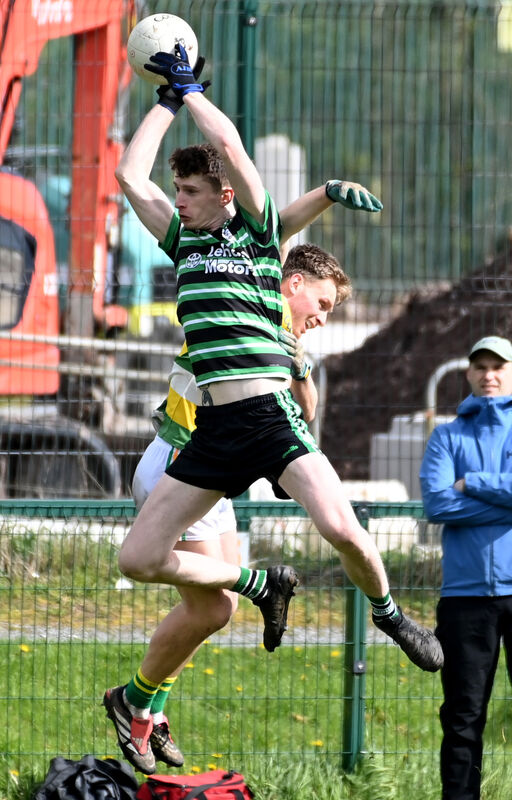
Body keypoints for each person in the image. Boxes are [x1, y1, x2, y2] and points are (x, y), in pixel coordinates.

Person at [104, 44, 443, 774]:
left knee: (341, 527)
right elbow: (130, 176)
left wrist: (193, 92)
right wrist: (164, 101)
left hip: (268, 419)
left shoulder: (257, 239)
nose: (180, 200)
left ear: (224, 197)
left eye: (190, 192)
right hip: (214, 432)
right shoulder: (180, 245)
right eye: (179, 193)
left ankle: (390, 616)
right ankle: (255, 588)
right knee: (136, 559)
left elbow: (229, 146)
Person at [123, 243, 354, 773]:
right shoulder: (244, 313)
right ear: (292, 284)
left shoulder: (284, 335)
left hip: (213, 477)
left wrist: (299, 361)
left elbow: (308, 409)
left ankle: (148, 706)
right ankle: (138, 706)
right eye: (322, 302)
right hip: (183, 464)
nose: (323, 316)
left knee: (212, 612)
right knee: (213, 608)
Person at [420, 335, 512, 800]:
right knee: (462, 720)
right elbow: (438, 503)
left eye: (498, 366)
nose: (489, 374)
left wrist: (474, 484)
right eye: (480, 366)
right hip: (464, 598)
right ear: (467, 375)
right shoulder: (446, 436)